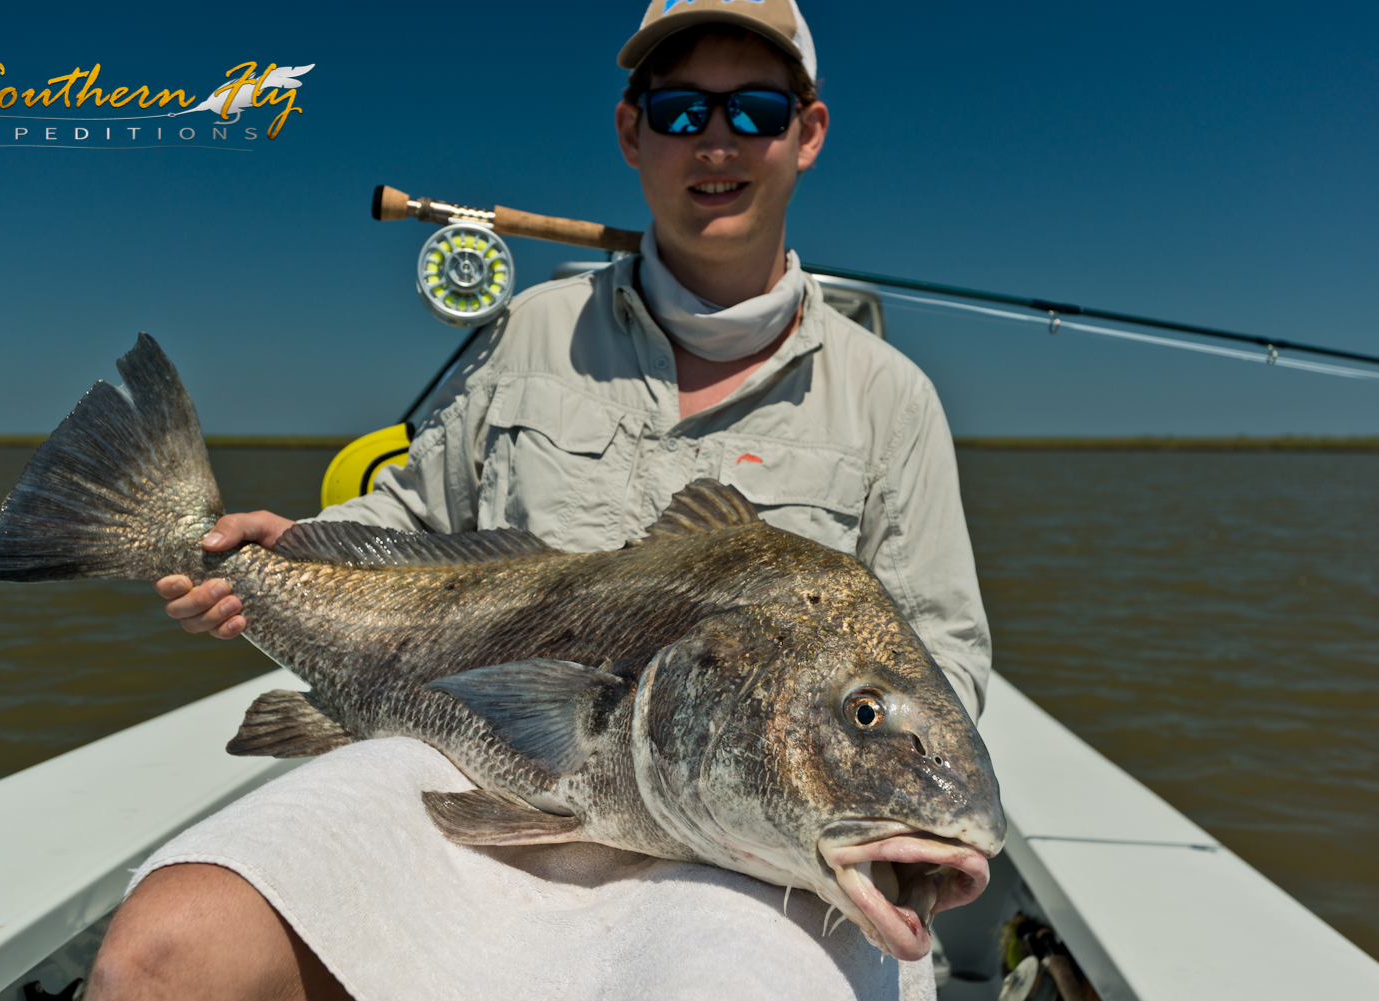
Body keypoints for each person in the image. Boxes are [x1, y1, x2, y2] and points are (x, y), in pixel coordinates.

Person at [89, 2, 989, 998]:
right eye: (683, 110)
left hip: (747, 858)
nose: (719, 140)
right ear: (631, 132)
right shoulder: (530, 331)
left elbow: (944, 654)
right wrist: (284, 549)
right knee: (160, 955)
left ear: (806, 133)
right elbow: (416, 522)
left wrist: (901, 807)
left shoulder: (888, 396)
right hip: (470, 762)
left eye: (758, 109)